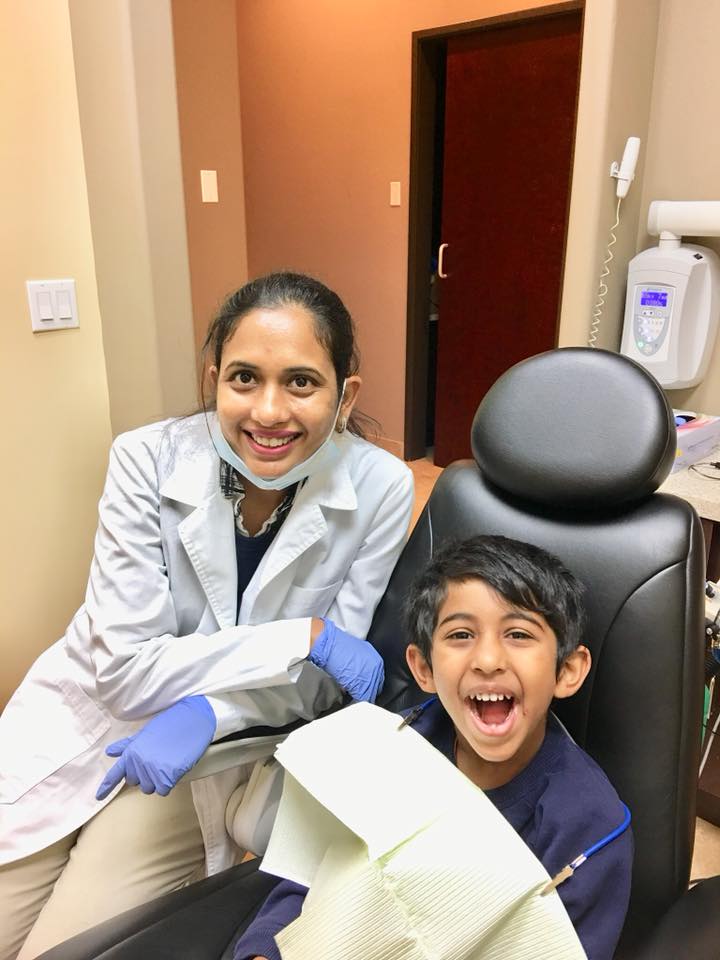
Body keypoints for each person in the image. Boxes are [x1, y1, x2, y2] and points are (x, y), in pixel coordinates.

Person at [0, 272, 414, 960]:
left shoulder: (380, 488)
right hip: (82, 721)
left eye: (302, 383)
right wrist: (302, 637)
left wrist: (211, 716)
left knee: (61, 952)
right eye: (244, 378)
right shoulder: (145, 461)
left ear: (347, 396)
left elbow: (323, 686)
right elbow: (127, 674)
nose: (269, 411)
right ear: (213, 378)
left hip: (206, 758)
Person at [234, 535, 633, 960]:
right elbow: (310, 873)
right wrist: (265, 949)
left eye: (518, 634)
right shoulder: (391, 748)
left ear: (567, 671)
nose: (488, 659)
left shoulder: (589, 829)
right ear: (423, 668)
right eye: (461, 634)